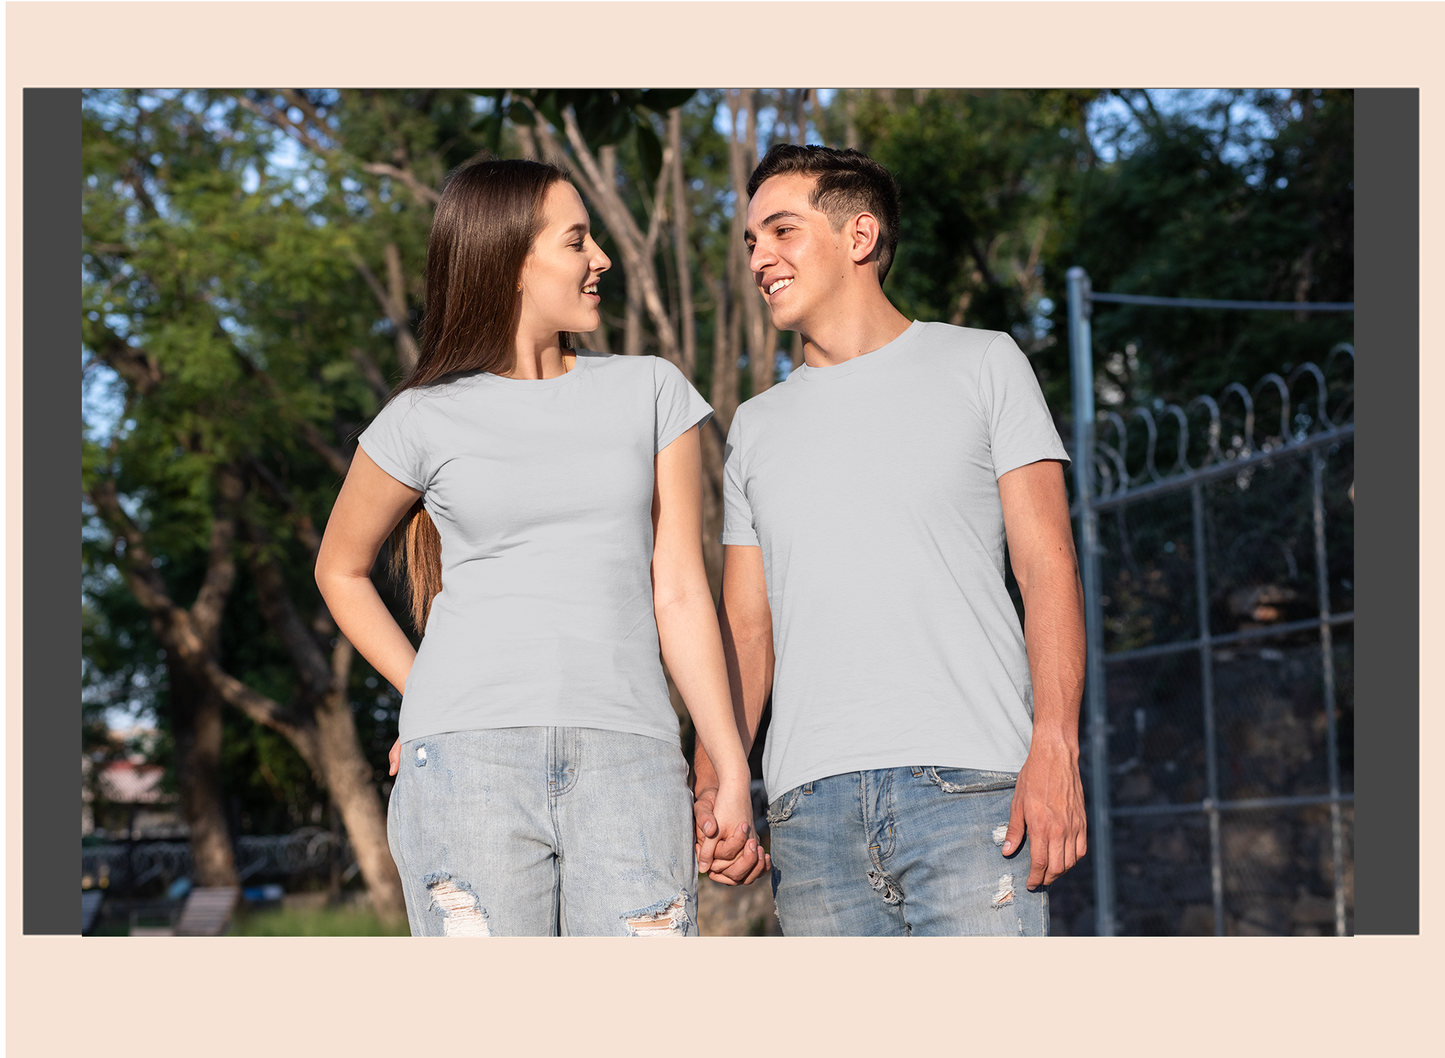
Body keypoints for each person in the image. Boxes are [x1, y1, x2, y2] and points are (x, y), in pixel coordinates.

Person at [315, 158, 757, 937]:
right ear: (510, 260)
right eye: (577, 240)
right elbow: (339, 569)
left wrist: (725, 760)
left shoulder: (651, 391)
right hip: (464, 766)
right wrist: (423, 693)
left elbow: (681, 588)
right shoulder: (421, 418)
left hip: (632, 760)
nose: (602, 260)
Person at [691, 145, 1087, 936]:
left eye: (781, 231)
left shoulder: (983, 363)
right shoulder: (756, 429)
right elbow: (745, 629)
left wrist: (1056, 746)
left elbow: (1046, 568)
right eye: (750, 242)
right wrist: (715, 783)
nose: (759, 257)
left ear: (858, 236)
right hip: (808, 815)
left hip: (972, 793)